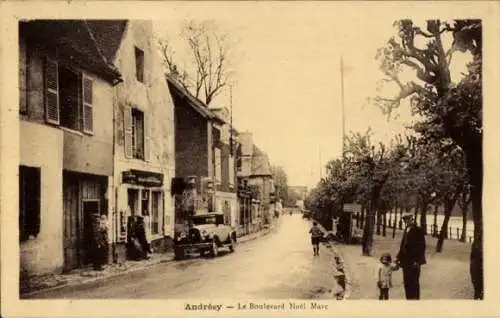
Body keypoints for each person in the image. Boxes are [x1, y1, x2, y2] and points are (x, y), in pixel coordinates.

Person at [395, 212, 426, 300]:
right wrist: (397, 257)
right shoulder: (406, 230)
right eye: (405, 219)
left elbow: (422, 246)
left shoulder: (418, 230)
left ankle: (416, 300)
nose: (406, 221)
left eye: (408, 219)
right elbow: (403, 246)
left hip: (414, 262)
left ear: (412, 219)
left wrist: (417, 261)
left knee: (414, 282)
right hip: (405, 261)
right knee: (407, 282)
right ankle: (408, 300)